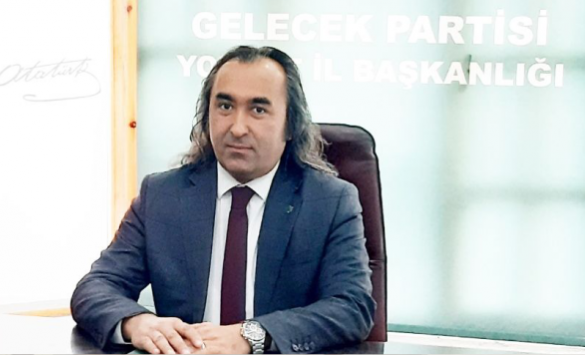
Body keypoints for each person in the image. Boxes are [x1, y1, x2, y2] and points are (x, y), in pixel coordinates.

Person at [71, 46, 375, 354]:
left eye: (258, 110)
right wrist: (137, 323)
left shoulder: (329, 201)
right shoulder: (163, 196)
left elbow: (352, 306)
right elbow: (96, 287)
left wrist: (251, 335)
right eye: (225, 106)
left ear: (290, 125)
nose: (237, 128)